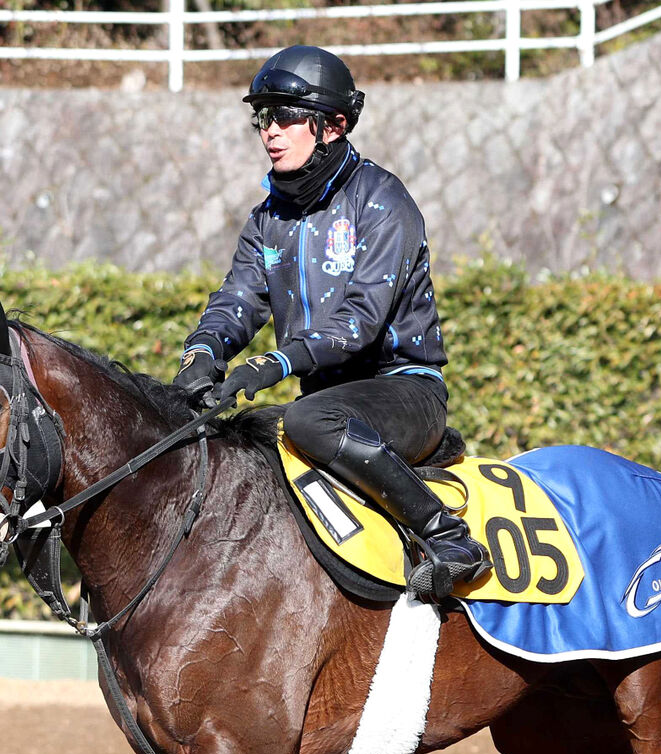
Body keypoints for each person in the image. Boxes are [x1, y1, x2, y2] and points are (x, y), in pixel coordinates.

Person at [173, 44, 492, 601]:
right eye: (262, 118)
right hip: (323, 407)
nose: (270, 131)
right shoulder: (266, 218)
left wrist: (273, 364)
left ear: (334, 125)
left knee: (306, 420)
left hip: (405, 393)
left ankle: (449, 537)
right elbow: (236, 301)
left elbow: (360, 322)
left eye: (287, 116)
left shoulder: (383, 200)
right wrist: (201, 355)